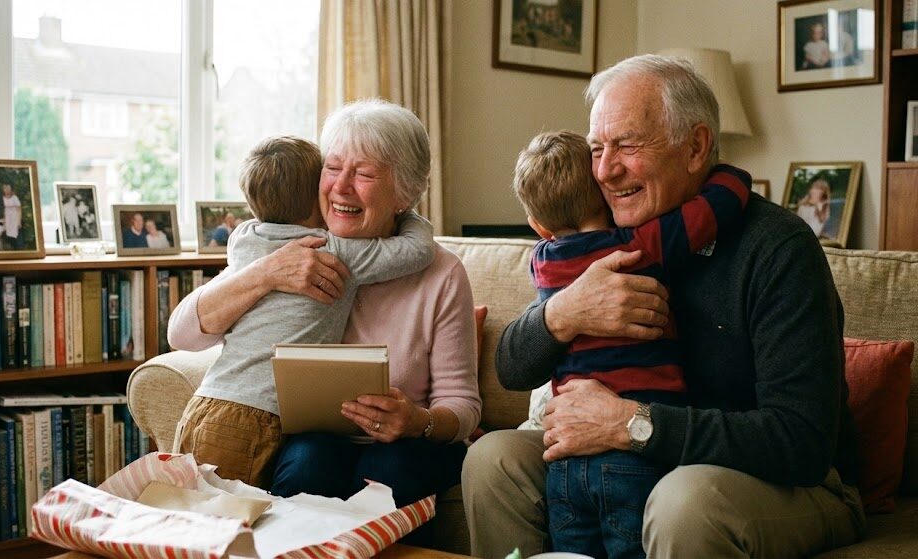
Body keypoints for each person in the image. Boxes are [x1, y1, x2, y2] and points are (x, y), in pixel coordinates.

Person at [462, 54, 864, 559]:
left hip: (783, 481)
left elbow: (800, 443)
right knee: (493, 459)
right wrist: (565, 311)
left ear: (695, 147)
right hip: (639, 462)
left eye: (628, 145)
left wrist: (630, 423)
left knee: (683, 501)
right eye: (597, 148)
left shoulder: (778, 246)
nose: (606, 171)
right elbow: (511, 367)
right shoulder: (606, 229)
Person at [168, 99, 481, 509]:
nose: (341, 186)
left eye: (364, 173)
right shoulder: (290, 246)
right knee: (308, 461)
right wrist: (267, 273)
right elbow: (182, 335)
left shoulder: (441, 273)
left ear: (404, 193)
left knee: (390, 469)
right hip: (318, 437)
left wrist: (417, 421)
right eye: (332, 168)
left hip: (406, 443)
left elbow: (462, 405)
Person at [510, 129, 750, 558]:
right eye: (600, 151)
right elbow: (713, 210)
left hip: (563, 463)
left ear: (538, 226)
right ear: (606, 199)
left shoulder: (541, 262)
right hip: (631, 460)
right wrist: (727, 174)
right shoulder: (638, 248)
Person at [1, 183, 22, 250]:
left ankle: (17, 250)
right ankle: (11, 251)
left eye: (8, 188)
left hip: (14, 218)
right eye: (5, 188)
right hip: (7, 219)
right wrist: (3, 220)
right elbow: (2, 210)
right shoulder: (2, 199)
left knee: (14, 235)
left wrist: (19, 221)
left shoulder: (15, 198)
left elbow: (19, 210)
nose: (7, 190)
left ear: (11, 190)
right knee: (7, 235)